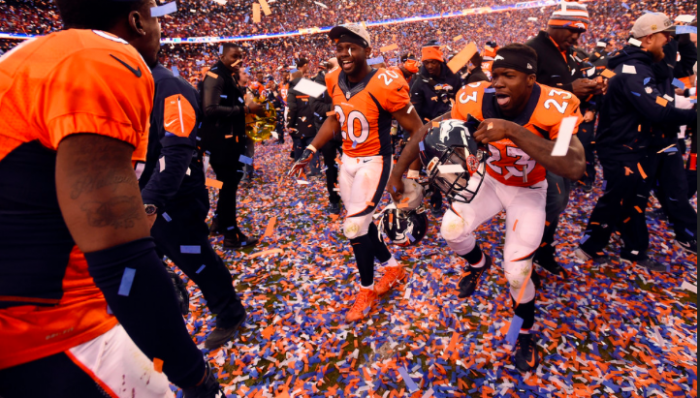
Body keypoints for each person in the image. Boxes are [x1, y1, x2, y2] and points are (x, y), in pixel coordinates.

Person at [0, 0, 222, 396]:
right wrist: (194, 374)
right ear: (136, 21)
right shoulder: (102, 55)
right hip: (50, 330)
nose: (160, 29)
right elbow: (118, 253)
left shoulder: (34, 55)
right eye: (155, 16)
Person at [388, 44, 585, 373]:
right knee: (450, 230)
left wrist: (513, 131)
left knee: (518, 271)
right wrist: (397, 172)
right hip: (489, 180)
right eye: (496, 75)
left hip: (529, 189)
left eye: (509, 75)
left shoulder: (558, 104)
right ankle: (479, 263)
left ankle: (524, 332)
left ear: (531, 79)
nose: (499, 83)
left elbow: (574, 164)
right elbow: (427, 128)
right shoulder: (473, 97)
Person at [289, 23, 424, 323]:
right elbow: (335, 120)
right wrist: (310, 149)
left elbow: (418, 129)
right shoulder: (333, 78)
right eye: (339, 48)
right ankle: (392, 267)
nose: (344, 53)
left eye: (351, 46)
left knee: (353, 228)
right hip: (347, 159)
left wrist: (402, 172)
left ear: (368, 51)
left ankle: (367, 290)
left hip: (375, 161)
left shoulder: (386, 81)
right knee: (361, 226)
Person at [138, 57, 248, 349]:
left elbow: (177, 151)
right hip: (141, 196)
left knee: (196, 258)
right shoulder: (128, 83)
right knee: (146, 263)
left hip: (173, 199)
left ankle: (230, 312)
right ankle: (165, 305)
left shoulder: (167, 84)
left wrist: (149, 203)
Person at [574, 13, 697, 270]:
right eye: (668, 37)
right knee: (618, 198)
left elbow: (674, 75)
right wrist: (694, 115)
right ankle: (588, 247)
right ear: (650, 38)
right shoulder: (634, 68)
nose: (671, 43)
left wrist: (686, 41)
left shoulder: (643, 62)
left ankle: (633, 250)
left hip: (637, 144)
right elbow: (657, 110)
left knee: (633, 199)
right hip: (620, 147)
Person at [525, 1, 603, 276]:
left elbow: (570, 95)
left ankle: (544, 251)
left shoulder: (571, 54)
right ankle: (525, 256)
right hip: (539, 138)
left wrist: (591, 92)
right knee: (541, 200)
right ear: (555, 25)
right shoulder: (533, 50)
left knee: (558, 197)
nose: (576, 37)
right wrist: (571, 88)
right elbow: (522, 93)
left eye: (580, 33)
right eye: (572, 30)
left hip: (564, 133)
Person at [201, 42, 261, 249]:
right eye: (234, 56)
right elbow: (210, 109)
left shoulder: (228, 75)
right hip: (222, 144)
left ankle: (219, 223)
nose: (239, 61)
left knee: (230, 184)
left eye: (241, 56)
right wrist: (245, 109)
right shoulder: (215, 76)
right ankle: (231, 236)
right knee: (228, 187)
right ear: (223, 56)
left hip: (232, 142)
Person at [409, 40, 462, 216]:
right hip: (430, 130)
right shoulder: (419, 81)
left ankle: (455, 198)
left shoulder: (453, 76)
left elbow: (461, 98)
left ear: (440, 60)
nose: (430, 65)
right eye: (426, 62)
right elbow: (415, 111)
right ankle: (436, 200)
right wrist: (416, 133)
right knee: (433, 168)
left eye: (433, 62)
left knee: (453, 165)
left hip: (452, 127)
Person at [310, 57, 343, 214]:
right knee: (331, 168)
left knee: (351, 165)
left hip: (345, 130)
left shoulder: (345, 77)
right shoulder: (315, 83)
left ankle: (352, 196)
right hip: (327, 131)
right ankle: (334, 199)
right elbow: (314, 106)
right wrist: (335, 109)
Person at [287, 71, 321, 177]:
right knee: (312, 148)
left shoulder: (292, 91)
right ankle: (316, 172)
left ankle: (299, 171)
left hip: (298, 125)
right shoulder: (312, 89)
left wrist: (289, 124)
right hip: (311, 123)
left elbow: (292, 109)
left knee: (298, 149)